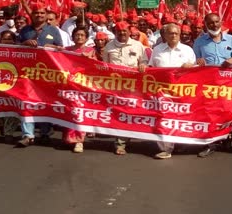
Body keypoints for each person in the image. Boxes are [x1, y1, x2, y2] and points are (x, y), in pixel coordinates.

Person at [193, 13, 232, 158]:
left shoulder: (231, 39)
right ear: (205, 24)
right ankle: (209, 143)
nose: (214, 25)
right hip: (208, 84)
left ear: (221, 22)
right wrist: (198, 62)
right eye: (210, 23)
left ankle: (226, 137)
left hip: (228, 83)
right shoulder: (199, 42)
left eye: (216, 22)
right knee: (209, 112)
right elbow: (194, 61)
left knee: (227, 111)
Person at [17, 3, 63, 147]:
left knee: (45, 103)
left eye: (42, 13)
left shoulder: (53, 30)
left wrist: (53, 47)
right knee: (26, 102)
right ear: (32, 15)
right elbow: (15, 49)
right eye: (36, 13)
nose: (39, 16)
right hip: (28, 73)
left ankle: (45, 132)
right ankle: (27, 135)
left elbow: (61, 49)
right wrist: (25, 43)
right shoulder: (24, 30)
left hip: (46, 74)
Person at [149, 23, 196, 159]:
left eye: (176, 33)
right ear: (165, 35)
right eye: (170, 33)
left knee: (179, 118)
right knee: (163, 119)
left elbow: (196, 72)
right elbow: (151, 68)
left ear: (180, 34)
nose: (173, 35)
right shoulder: (157, 50)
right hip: (162, 91)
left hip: (181, 92)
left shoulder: (187, 50)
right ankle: (165, 149)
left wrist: (191, 66)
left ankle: (181, 144)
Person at [103, 21, 147, 155]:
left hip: (134, 86)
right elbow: (104, 66)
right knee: (120, 114)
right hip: (116, 86)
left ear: (129, 32)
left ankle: (133, 137)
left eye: (125, 31)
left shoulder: (138, 45)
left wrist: (143, 66)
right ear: (115, 32)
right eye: (119, 31)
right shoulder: (109, 46)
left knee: (133, 113)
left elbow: (144, 61)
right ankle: (120, 143)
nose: (122, 33)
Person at [63, 26, 95, 153]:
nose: (79, 37)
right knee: (69, 111)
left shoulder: (90, 51)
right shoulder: (67, 50)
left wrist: (89, 59)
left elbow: (96, 67)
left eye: (82, 35)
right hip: (68, 85)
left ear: (86, 38)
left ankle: (79, 141)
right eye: (77, 35)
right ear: (72, 37)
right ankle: (69, 138)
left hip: (83, 86)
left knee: (80, 112)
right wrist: (57, 48)